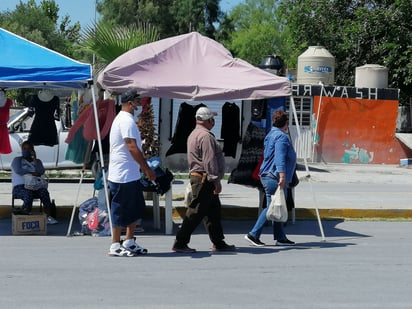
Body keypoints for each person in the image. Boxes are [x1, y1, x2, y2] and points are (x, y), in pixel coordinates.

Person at [172, 106, 235, 253]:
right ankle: (180, 242)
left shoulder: (194, 134)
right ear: (208, 120)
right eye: (212, 119)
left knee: (213, 212)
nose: (214, 121)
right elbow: (209, 160)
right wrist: (215, 180)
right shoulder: (205, 136)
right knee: (195, 212)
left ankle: (218, 242)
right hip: (204, 179)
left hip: (202, 178)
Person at [107, 89, 156, 257]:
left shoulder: (126, 120)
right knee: (120, 209)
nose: (138, 104)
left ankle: (129, 241)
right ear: (129, 103)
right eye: (136, 101)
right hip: (122, 174)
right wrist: (147, 168)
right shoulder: (125, 121)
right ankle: (114, 244)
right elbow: (131, 146)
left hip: (131, 174)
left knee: (135, 208)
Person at [244, 110, 297, 247]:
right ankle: (253, 234)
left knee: (277, 205)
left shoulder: (271, 134)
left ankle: (280, 237)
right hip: (274, 176)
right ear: (285, 124)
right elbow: (280, 157)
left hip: (268, 175)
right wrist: (282, 176)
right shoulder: (281, 137)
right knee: (272, 206)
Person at [11, 141, 58, 224]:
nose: (26, 151)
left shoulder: (37, 162)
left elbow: (41, 171)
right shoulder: (17, 160)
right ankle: (25, 215)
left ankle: (48, 216)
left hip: (34, 186)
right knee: (28, 193)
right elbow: (18, 170)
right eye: (24, 149)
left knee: (44, 192)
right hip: (20, 187)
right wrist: (32, 173)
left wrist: (34, 159)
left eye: (28, 149)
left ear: (32, 150)